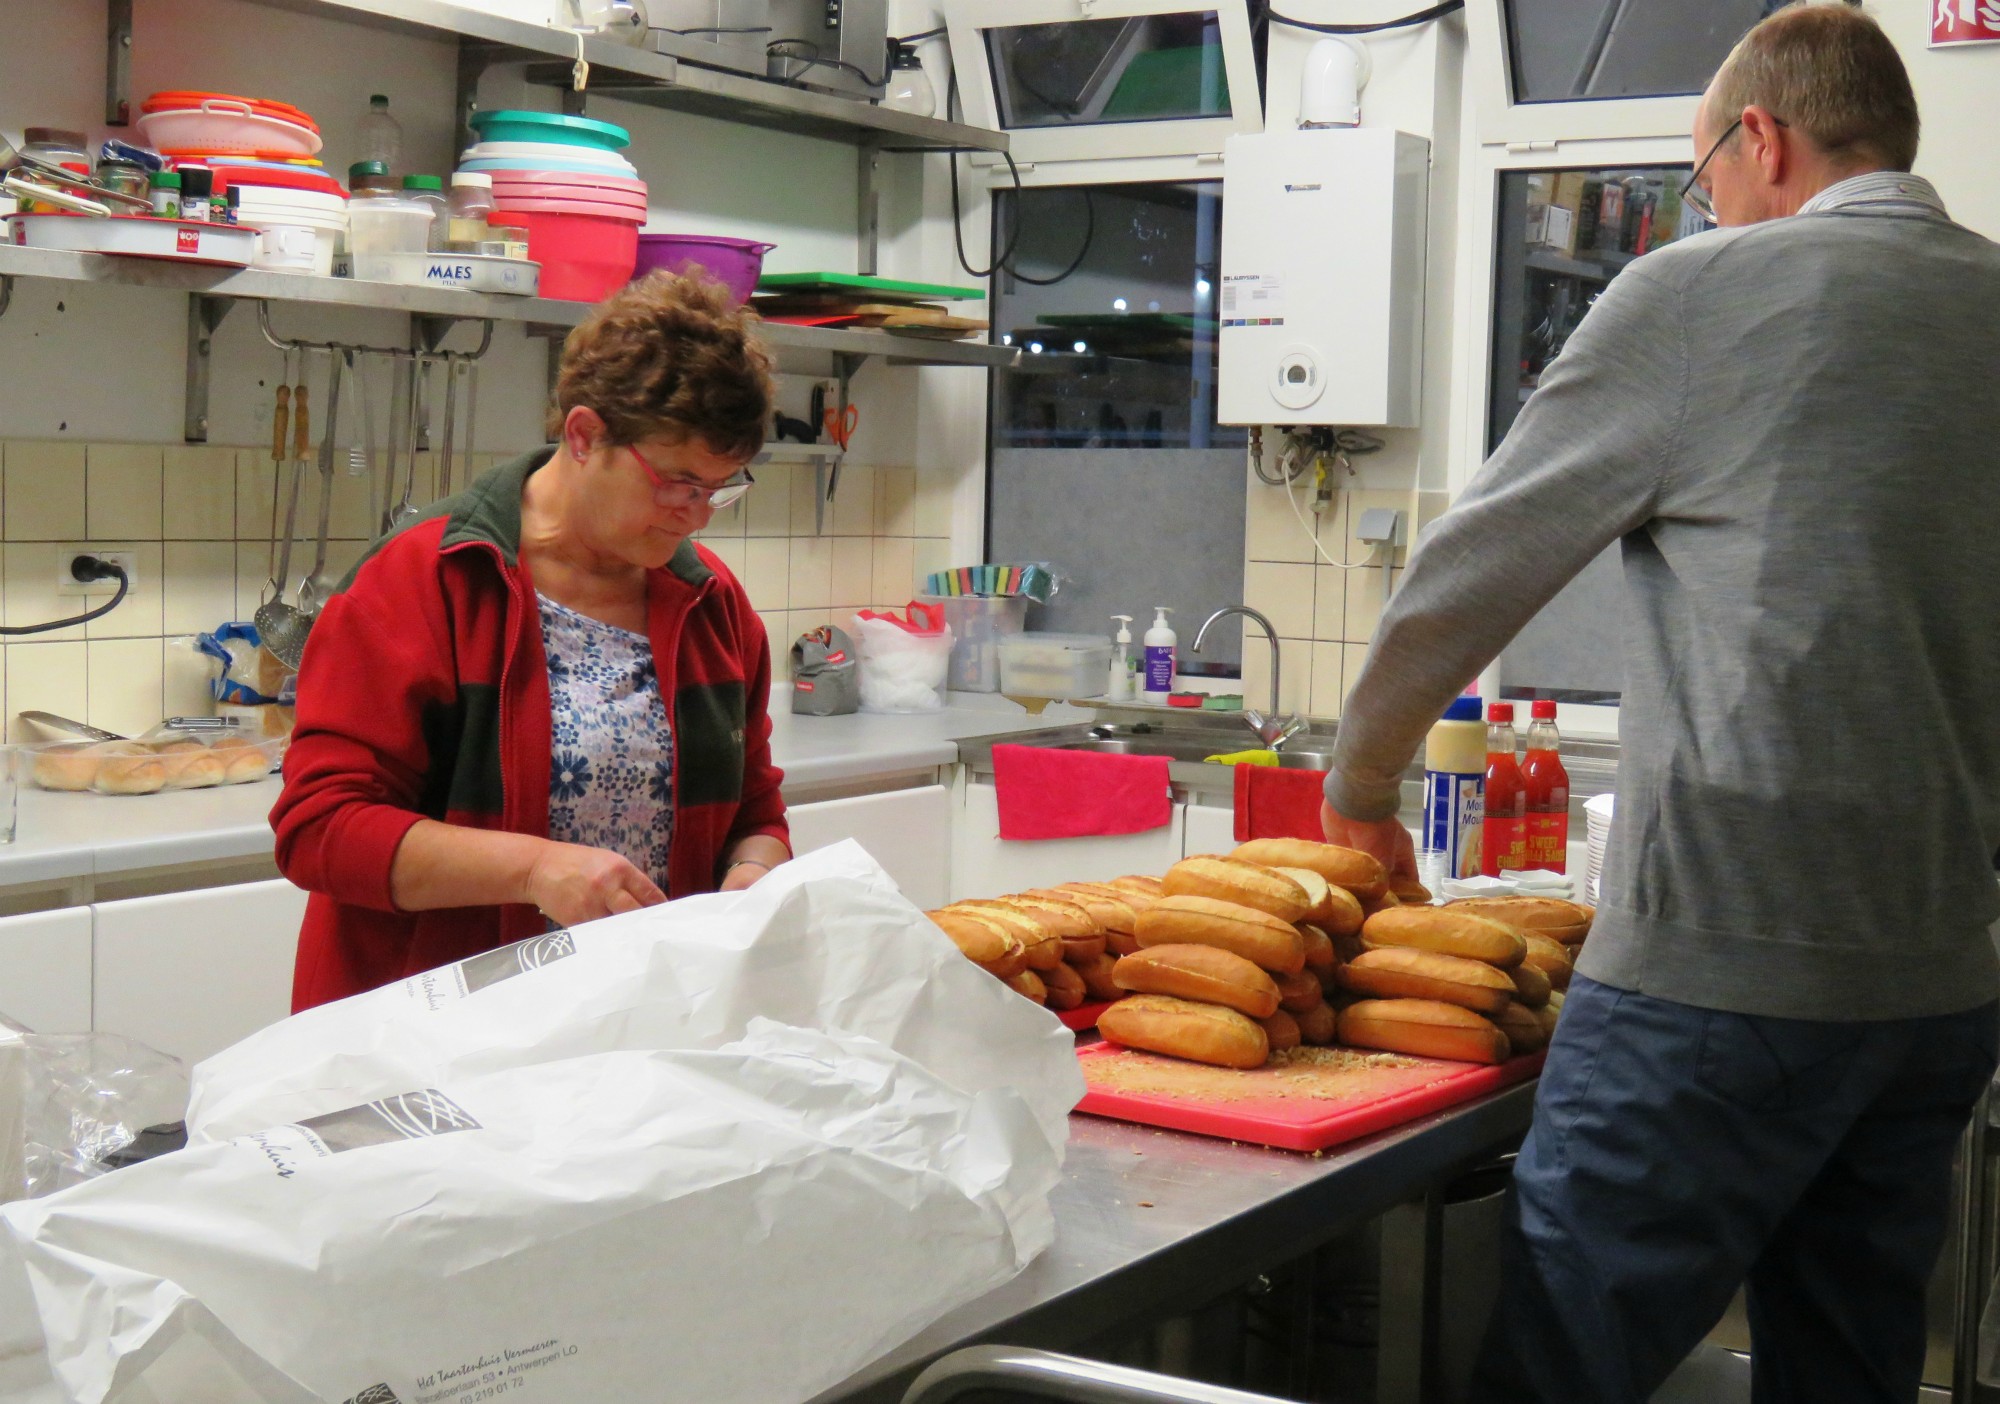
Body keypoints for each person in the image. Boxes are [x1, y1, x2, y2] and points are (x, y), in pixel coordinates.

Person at [1318, 6, 2000, 1400]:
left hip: (1715, 977)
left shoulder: (1703, 292)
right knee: (1851, 1374)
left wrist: (1361, 788)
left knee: (1568, 1366)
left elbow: (1468, 572)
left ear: (1765, 139)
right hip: (1935, 991)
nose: (1710, 209)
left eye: (1702, 180)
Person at [274, 272, 791, 1011]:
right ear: (583, 435)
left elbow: (754, 812)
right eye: (677, 483)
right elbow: (321, 829)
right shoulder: (428, 579)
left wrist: (755, 873)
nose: (697, 515)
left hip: (644, 1023)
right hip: (433, 1033)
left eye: (719, 488)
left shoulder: (711, 604)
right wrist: (532, 870)